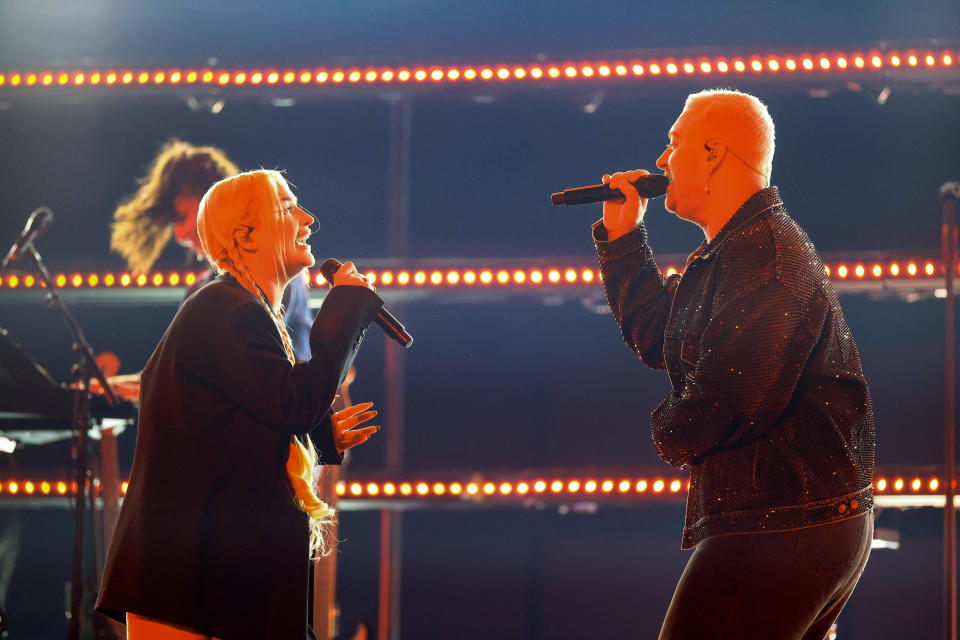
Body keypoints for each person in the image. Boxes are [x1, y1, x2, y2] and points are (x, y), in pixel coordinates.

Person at [593, 89, 875, 639]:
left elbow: (731, 395)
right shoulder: (736, 250)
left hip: (785, 520)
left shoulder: (764, 256)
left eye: (674, 143)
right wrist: (625, 240)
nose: (661, 161)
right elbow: (660, 338)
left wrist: (662, 431)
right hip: (799, 520)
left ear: (714, 152)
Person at [95, 169, 383, 640]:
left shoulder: (240, 310)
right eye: (289, 208)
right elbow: (292, 404)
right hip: (188, 587)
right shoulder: (224, 310)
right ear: (246, 236)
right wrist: (347, 308)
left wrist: (316, 436)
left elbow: (236, 429)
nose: (308, 219)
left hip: (208, 582)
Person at [104, 140, 314, 402]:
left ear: (213, 203)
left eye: (182, 216)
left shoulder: (278, 273)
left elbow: (221, 370)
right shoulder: (199, 291)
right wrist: (111, 386)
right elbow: (181, 370)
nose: (179, 235)